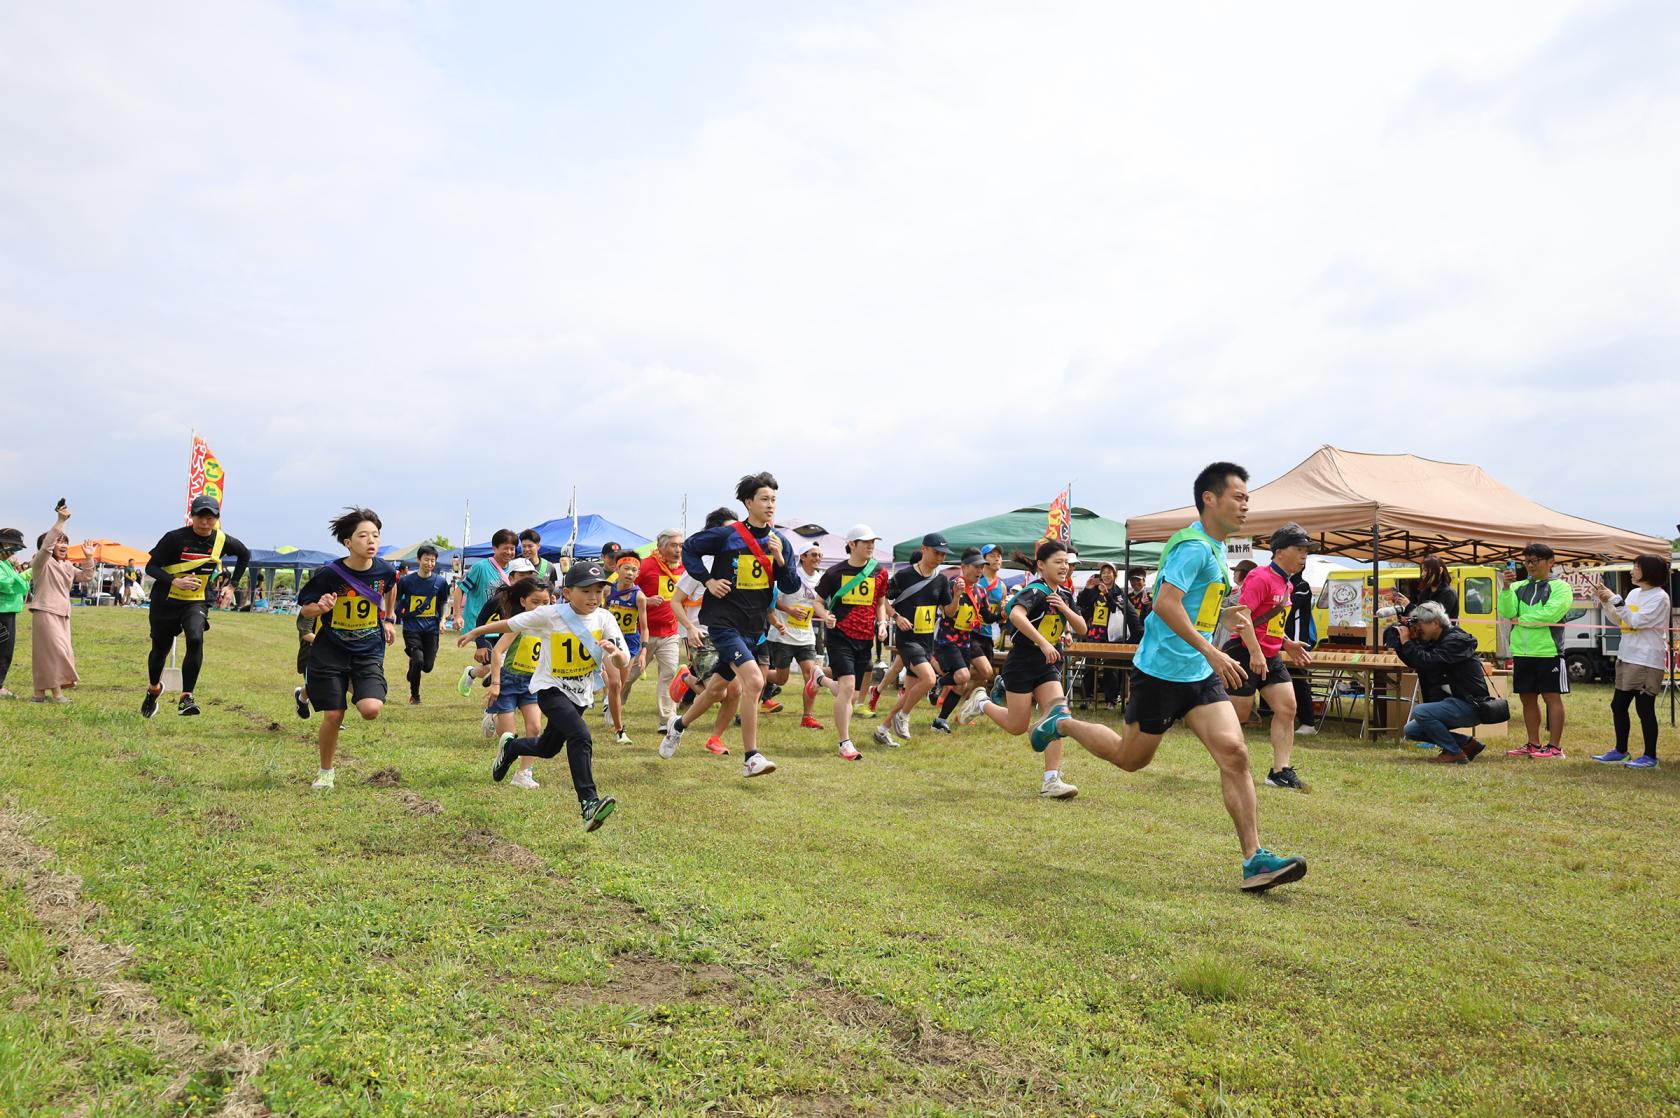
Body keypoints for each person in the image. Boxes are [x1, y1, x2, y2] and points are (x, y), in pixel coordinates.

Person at [964, 463, 1308, 893]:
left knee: (1235, 753)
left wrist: (1224, 618)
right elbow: (1165, 604)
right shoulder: (1192, 547)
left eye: (1247, 499)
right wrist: (1212, 650)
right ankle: (1062, 722)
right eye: (1238, 497)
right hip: (1161, 673)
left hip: (1198, 674)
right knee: (1130, 759)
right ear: (1210, 498)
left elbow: (1193, 606)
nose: (1245, 506)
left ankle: (1254, 860)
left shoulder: (1215, 549)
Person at [660, 474, 802, 777]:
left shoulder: (780, 542)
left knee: (715, 690)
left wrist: (779, 558)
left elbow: (790, 584)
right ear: (748, 502)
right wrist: (708, 580)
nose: (770, 505)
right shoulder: (728, 535)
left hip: (754, 627)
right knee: (754, 682)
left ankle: (678, 725)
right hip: (723, 624)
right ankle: (751, 757)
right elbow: (690, 548)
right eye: (764, 499)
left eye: (774, 500)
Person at [468, 561, 623, 831]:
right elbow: (511, 623)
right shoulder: (551, 614)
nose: (593, 597)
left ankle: (511, 748)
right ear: (567, 592)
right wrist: (476, 632)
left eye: (599, 591)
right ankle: (589, 803)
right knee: (580, 736)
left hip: (580, 695)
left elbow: (622, 660)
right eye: (586, 591)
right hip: (550, 689)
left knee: (548, 748)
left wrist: (616, 653)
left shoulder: (605, 619)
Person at [954, 540, 1082, 799]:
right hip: (1022, 662)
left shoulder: (1065, 595)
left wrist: (1065, 609)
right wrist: (1043, 642)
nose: (1064, 567)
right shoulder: (1034, 591)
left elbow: (1082, 628)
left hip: (1048, 665)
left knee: (1056, 717)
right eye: (1058, 562)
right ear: (1041, 565)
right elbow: (1016, 616)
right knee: (1017, 726)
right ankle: (981, 703)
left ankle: (1051, 780)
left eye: (1066, 562)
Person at [295, 508, 399, 790]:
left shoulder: (385, 570)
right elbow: (305, 609)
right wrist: (320, 607)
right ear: (348, 542)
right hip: (330, 650)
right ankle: (325, 772)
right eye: (363, 536)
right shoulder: (329, 574)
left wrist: (389, 619)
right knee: (333, 714)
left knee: (371, 709)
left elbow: (391, 587)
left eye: (375, 535)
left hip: (368, 650)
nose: (371, 541)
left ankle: (333, 687)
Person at [140, 495, 252, 718]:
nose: (205, 523)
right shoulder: (174, 538)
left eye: (210, 518)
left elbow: (244, 554)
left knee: (195, 638)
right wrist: (175, 581)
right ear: (192, 516)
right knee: (160, 650)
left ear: (217, 518)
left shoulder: (221, 540)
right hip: (166, 600)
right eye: (201, 517)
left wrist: (232, 586)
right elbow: (151, 568)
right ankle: (153, 689)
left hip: (196, 600)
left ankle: (186, 697)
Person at [1224, 524, 1316, 791]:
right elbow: (1243, 615)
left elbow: (1269, 622)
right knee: (1239, 715)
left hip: (1270, 654)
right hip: (1244, 650)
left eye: (1306, 550)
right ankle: (1228, 762)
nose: (1304, 555)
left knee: (1287, 708)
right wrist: (1254, 653)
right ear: (1279, 552)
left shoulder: (1287, 583)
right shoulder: (1260, 577)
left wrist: (1287, 643)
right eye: (1299, 549)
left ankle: (1280, 772)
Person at [813, 525, 891, 761]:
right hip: (840, 637)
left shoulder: (879, 572)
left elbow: (880, 602)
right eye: (866, 542)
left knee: (852, 696)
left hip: (865, 639)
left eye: (873, 542)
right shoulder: (834, 573)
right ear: (851, 544)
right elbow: (817, 602)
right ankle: (845, 743)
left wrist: (882, 623)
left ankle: (820, 679)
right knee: (847, 688)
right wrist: (826, 616)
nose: (871, 546)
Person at [467, 575, 551, 788]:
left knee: (535, 728)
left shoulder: (551, 625)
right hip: (509, 682)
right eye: (535, 602)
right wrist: (495, 684)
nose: (541, 607)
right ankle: (493, 718)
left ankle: (523, 773)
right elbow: (497, 652)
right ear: (523, 601)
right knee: (508, 735)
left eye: (546, 602)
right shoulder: (519, 623)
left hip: (532, 684)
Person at [1591, 554, 1670, 769]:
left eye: (1636, 567)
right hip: (1627, 655)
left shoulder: (1660, 597)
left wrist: (1615, 598)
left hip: (1646, 659)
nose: (1631, 571)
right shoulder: (1635, 593)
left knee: (1644, 708)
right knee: (1618, 705)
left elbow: (1636, 620)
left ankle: (1650, 757)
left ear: (1649, 571)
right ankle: (1620, 751)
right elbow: (1621, 619)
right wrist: (1607, 602)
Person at [1384, 601, 1488, 764]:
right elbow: (1416, 661)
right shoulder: (1437, 639)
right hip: (1454, 701)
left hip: (1471, 704)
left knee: (1421, 711)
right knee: (1411, 730)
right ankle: (1467, 744)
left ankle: (1454, 753)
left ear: (1435, 623)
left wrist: (1407, 642)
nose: (1418, 629)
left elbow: (1427, 661)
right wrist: (1402, 644)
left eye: (1420, 625)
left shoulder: (1455, 641)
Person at [878, 534, 954, 747]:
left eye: (943, 554)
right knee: (929, 679)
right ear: (924, 549)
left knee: (910, 692)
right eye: (937, 553)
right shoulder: (904, 575)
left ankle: (882, 729)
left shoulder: (941, 580)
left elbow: (949, 612)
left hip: (926, 641)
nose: (940, 558)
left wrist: (956, 595)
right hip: (907, 640)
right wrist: (896, 617)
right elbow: (882, 598)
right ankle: (903, 717)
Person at [1498, 542, 1573, 759]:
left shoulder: (1561, 587)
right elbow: (1506, 612)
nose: (1530, 565)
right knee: (1527, 698)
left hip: (1549, 651)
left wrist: (1520, 619)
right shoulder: (1517, 586)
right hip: (1522, 651)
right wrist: (1506, 588)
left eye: (1534, 561)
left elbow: (1550, 614)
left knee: (1552, 698)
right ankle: (1533, 743)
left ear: (1550, 562)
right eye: (1527, 561)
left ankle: (1555, 748)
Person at [27, 503, 98, 703]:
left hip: (63, 614)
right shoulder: (41, 562)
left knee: (51, 652)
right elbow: (46, 547)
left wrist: (89, 557)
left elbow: (86, 576)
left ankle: (39, 693)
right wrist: (60, 522)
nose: (64, 545)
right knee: (56, 652)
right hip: (45, 611)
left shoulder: (67, 565)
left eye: (66, 542)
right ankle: (57, 693)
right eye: (59, 542)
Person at [766, 542, 835, 730]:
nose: (818, 558)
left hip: (806, 636)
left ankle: (807, 717)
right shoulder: (791, 576)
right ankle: (757, 674)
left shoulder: (821, 579)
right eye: (813, 555)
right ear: (802, 557)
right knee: (781, 679)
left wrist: (826, 616)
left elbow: (820, 604)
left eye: (820, 555)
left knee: (811, 674)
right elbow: (772, 599)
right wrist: (790, 610)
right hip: (783, 635)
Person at [930, 549, 998, 732]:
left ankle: (940, 721)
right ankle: (938, 682)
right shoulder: (952, 584)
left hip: (965, 640)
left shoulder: (980, 590)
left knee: (961, 685)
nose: (980, 571)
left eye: (982, 567)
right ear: (964, 567)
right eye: (976, 567)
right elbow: (949, 613)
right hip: (947, 640)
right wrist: (957, 595)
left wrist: (1003, 614)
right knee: (963, 676)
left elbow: (986, 616)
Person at [452, 528, 517, 693]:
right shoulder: (480, 567)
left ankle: (472, 673)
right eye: (506, 548)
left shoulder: (515, 569)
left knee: (499, 665)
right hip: (481, 624)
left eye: (512, 549)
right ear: (494, 548)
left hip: (503, 625)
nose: (509, 552)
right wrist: (457, 615)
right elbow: (460, 590)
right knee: (492, 665)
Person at [636, 529, 686, 734]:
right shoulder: (645, 566)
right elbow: (624, 590)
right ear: (660, 547)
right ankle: (613, 706)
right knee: (629, 676)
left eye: (681, 545)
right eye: (673, 545)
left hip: (671, 632)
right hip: (643, 633)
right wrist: (645, 601)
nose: (678, 550)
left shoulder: (685, 567)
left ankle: (667, 720)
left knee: (668, 674)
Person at [602, 553, 650, 745]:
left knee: (619, 686)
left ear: (638, 574)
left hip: (629, 643)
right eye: (626, 568)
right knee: (614, 684)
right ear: (617, 569)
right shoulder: (607, 590)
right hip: (609, 639)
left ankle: (610, 704)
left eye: (634, 570)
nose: (630, 573)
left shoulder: (640, 597)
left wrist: (644, 651)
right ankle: (620, 730)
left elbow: (644, 628)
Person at [395, 544, 451, 704]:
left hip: (431, 629)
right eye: (426, 559)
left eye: (433, 560)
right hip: (411, 628)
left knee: (427, 666)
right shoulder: (406, 581)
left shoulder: (440, 582)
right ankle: (415, 696)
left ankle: (412, 665)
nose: (430, 563)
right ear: (419, 560)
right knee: (419, 660)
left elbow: (443, 602)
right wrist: (396, 613)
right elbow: (396, 599)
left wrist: (443, 620)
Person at [1074, 562, 1133, 710]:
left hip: (1111, 634)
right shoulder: (1094, 589)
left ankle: (1111, 700)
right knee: (1089, 666)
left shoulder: (1118, 592)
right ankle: (1087, 697)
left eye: (1109, 572)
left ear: (1115, 575)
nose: (1106, 575)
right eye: (1103, 572)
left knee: (1110, 668)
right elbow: (1081, 603)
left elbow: (1116, 608)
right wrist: (1087, 588)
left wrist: (1107, 593)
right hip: (1095, 632)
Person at [1281, 565, 1318, 737]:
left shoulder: (1302, 586)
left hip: (1297, 641)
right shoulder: (1283, 583)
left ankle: (1308, 722)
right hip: (1280, 640)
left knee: (1299, 681)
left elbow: (1287, 606)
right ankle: (1268, 713)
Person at [0, 528, 33, 699]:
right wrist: (28, 573)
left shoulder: (6, 564)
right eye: (11, 547)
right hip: (2, 612)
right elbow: (7, 584)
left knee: (6, 650)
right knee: (3, 650)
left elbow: (20, 586)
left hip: (9, 611)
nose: (13, 552)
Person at [1392, 556, 1458, 621]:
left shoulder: (1449, 593)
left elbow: (1432, 620)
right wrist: (1402, 608)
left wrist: (1408, 606)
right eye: (1422, 570)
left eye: (1426, 570)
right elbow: (1417, 618)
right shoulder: (1424, 593)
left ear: (1440, 570)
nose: (1422, 574)